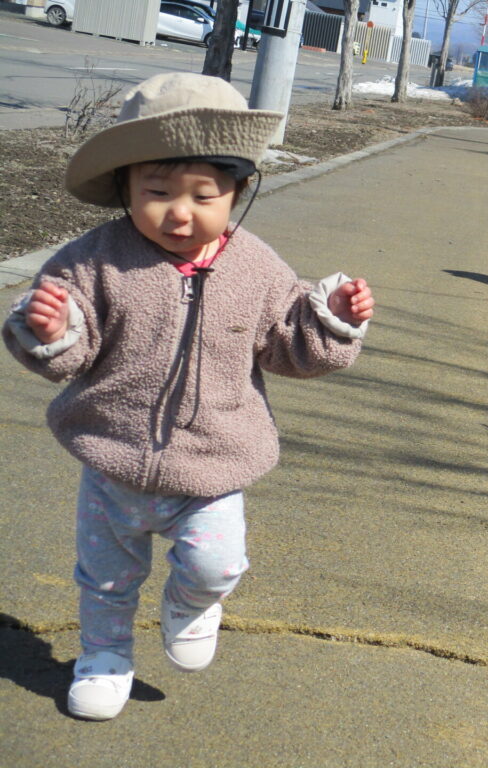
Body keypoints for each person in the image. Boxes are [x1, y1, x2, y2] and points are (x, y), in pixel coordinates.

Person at [2, 72, 376, 721]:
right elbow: (70, 347)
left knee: (215, 563)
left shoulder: (255, 267)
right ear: (124, 187)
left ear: (238, 191)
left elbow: (288, 345)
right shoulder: (92, 261)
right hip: (113, 464)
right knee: (107, 581)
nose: (180, 212)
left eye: (205, 194)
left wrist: (332, 318)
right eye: (157, 191)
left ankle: (192, 603)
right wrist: (51, 328)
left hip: (212, 466)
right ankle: (104, 657)